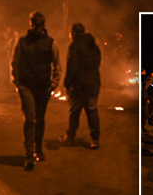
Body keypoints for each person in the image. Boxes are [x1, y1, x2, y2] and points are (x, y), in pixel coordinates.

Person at [10, 12, 61, 171]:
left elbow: (57, 64)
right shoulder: (23, 43)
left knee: (40, 119)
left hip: (43, 87)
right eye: (34, 24)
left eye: (38, 24)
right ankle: (29, 155)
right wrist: (17, 83)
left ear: (43, 25)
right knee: (30, 118)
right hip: (27, 86)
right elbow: (15, 63)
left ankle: (38, 148)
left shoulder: (50, 43)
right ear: (30, 24)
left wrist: (53, 83)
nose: (35, 27)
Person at [59, 23, 101, 150]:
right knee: (92, 111)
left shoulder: (74, 46)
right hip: (93, 85)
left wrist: (67, 83)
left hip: (78, 86)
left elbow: (72, 66)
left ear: (74, 33)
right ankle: (95, 139)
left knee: (74, 112)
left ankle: (70, 137)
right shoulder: (94, 47)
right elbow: (97, 64)